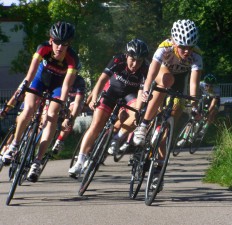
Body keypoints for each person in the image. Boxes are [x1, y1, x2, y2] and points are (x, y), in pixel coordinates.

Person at [1, 21, 80, 182]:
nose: (59, 47)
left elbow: (66, 85)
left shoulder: (73, 59)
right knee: (29, 109)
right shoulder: (42, 48)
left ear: (69, 44)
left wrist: (62, 102)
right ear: (51, 40)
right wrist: (23, 87)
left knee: (52, 115)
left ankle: (37, 161)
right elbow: (30, 74)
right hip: (39, 80)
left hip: (57, 86)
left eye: (64, 43)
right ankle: (14, 144)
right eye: (56, 42)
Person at [131, 19, 203, 190]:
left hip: (179, 82)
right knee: (165, 82)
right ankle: (144, 125)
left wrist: (193, 106)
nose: (186, 51)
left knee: (168, 128)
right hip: (162, 73)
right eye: (182, 47)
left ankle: (158, 171)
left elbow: (193, 83)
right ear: (174, 41)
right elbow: (151, 72)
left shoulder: (197, 55)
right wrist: (147, 89)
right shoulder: (165, 47)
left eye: (190, 47)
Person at [68, 38, 149, 177]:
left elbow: (141, 93)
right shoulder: (118, 60)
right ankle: (80, 161)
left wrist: (136, 113)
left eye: (139, 61)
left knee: (137, 114)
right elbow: (102, 80)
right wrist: (94, 99)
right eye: (132, 59)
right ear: (127, 55)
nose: (135, 64)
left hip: (129, 96)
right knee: (96, 125)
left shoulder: (145, 68)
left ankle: (117, 137)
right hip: (111, 92)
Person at [177, 74, 220, 146]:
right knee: (192, 118)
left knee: (212, 112)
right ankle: (184, 139)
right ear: (204, 83)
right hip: (204, 98)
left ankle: (204, 128)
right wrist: (194, 104)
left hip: (213, 100)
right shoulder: (200, 84)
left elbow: (213, 103)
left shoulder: (217, 89)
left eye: (211, 86)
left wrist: (208, 112)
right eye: (207, 85)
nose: (209, 87)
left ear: (214, 85)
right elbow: (194, 92)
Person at [51, 75, 86, 153]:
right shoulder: (59, 77)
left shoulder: (79, 81)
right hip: (59, 97)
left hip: (73, 101)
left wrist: (70, 119)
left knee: (70, 116)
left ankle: (60, 141)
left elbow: (77, 103)